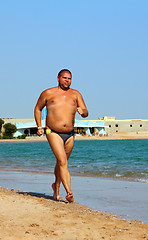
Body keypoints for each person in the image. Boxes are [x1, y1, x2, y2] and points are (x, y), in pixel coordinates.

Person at [34, 69, 88, 202]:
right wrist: (39, 126)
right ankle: (69, 192)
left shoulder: (76, 94)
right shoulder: (48, 93)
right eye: (64, 78)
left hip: (70, 134)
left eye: (69, 78)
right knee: (63, 161)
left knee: (61, 163)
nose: (67, 81)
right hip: (52, 132)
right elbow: (38, 108)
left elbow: (86, 112)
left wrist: (83, 111)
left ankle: (56, 188)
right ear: (58, 78)